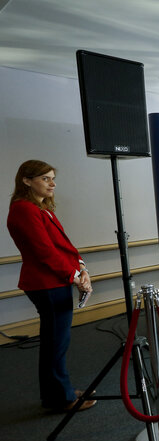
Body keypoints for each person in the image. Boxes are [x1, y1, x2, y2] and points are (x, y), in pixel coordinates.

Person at [6, 160, 96, 412]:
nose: (52, 183)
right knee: (55, 343)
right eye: (45, 178)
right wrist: (74, 276)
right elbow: (44, 252)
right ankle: (60, 399)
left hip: (55, 280)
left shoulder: (40, 208)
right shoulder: (24, 209)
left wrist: (82, 269)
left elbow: (63, 245)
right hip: (46, 284)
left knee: (56, 341)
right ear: (26, 180)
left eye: (52, 178)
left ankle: (59, 391)